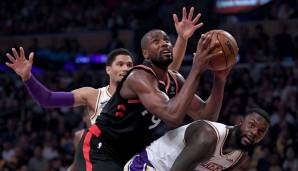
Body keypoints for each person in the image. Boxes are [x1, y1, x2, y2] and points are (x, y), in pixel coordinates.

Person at [5, 7, 205, 171]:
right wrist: (27, 77)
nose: (126, 68)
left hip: (130, 153)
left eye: (129, 64)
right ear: (108, 69)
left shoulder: (143, 85)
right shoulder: (92, 94)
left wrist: (182, 38)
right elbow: (48, 99)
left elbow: (170, 73)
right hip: (100, 154)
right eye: (120, 64)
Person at [73, 27, 229, 170]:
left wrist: (219, 79)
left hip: (128, 153)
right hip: (100, 148)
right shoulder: (138, 77)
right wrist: (196, 69)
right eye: (156, 41)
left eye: (167, 40)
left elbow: (206, 116)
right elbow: (173, 117)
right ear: (146, 54)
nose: (164, 44)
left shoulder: (175, 80)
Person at [125, 108, 270, 171]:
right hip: (147, 166)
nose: (254, 132)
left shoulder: (239, 155)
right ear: (239, 122)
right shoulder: (208, 136)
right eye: (251, 125)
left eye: (260, 132)